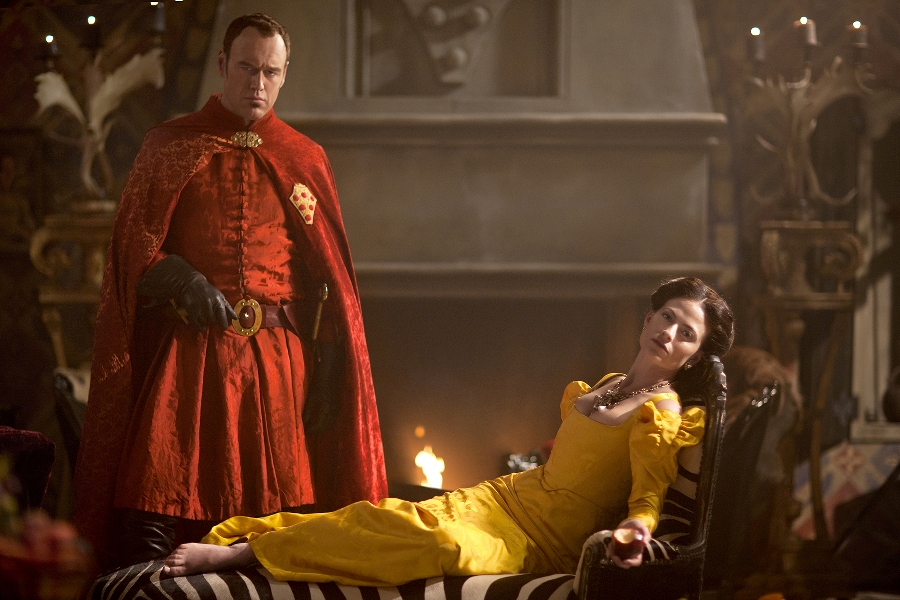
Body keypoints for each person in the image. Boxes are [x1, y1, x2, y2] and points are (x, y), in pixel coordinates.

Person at [162, 276, 735, 585]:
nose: (669, 334)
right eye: (667, 317)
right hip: (505, 498)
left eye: (686, 333)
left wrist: (635, 531)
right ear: (648, 317)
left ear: (692, 356)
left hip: (539, 540)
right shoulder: (610, 383)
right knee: (386, 515)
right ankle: (251, 545)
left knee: (436, 544)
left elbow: (647, 499)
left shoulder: (661, 414)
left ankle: (246, 556)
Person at [73, 13, 387, 566]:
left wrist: (331, 364)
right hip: (189, 359)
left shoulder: (304, 157)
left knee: (282, 519)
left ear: (285, 74)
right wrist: (181, 277)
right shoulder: (169, 146)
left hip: (280, 365)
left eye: (271, 72)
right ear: (222, 64)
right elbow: (131, 256)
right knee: (157, 505)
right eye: (246, 68)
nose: (257, 83)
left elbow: (329, 281)